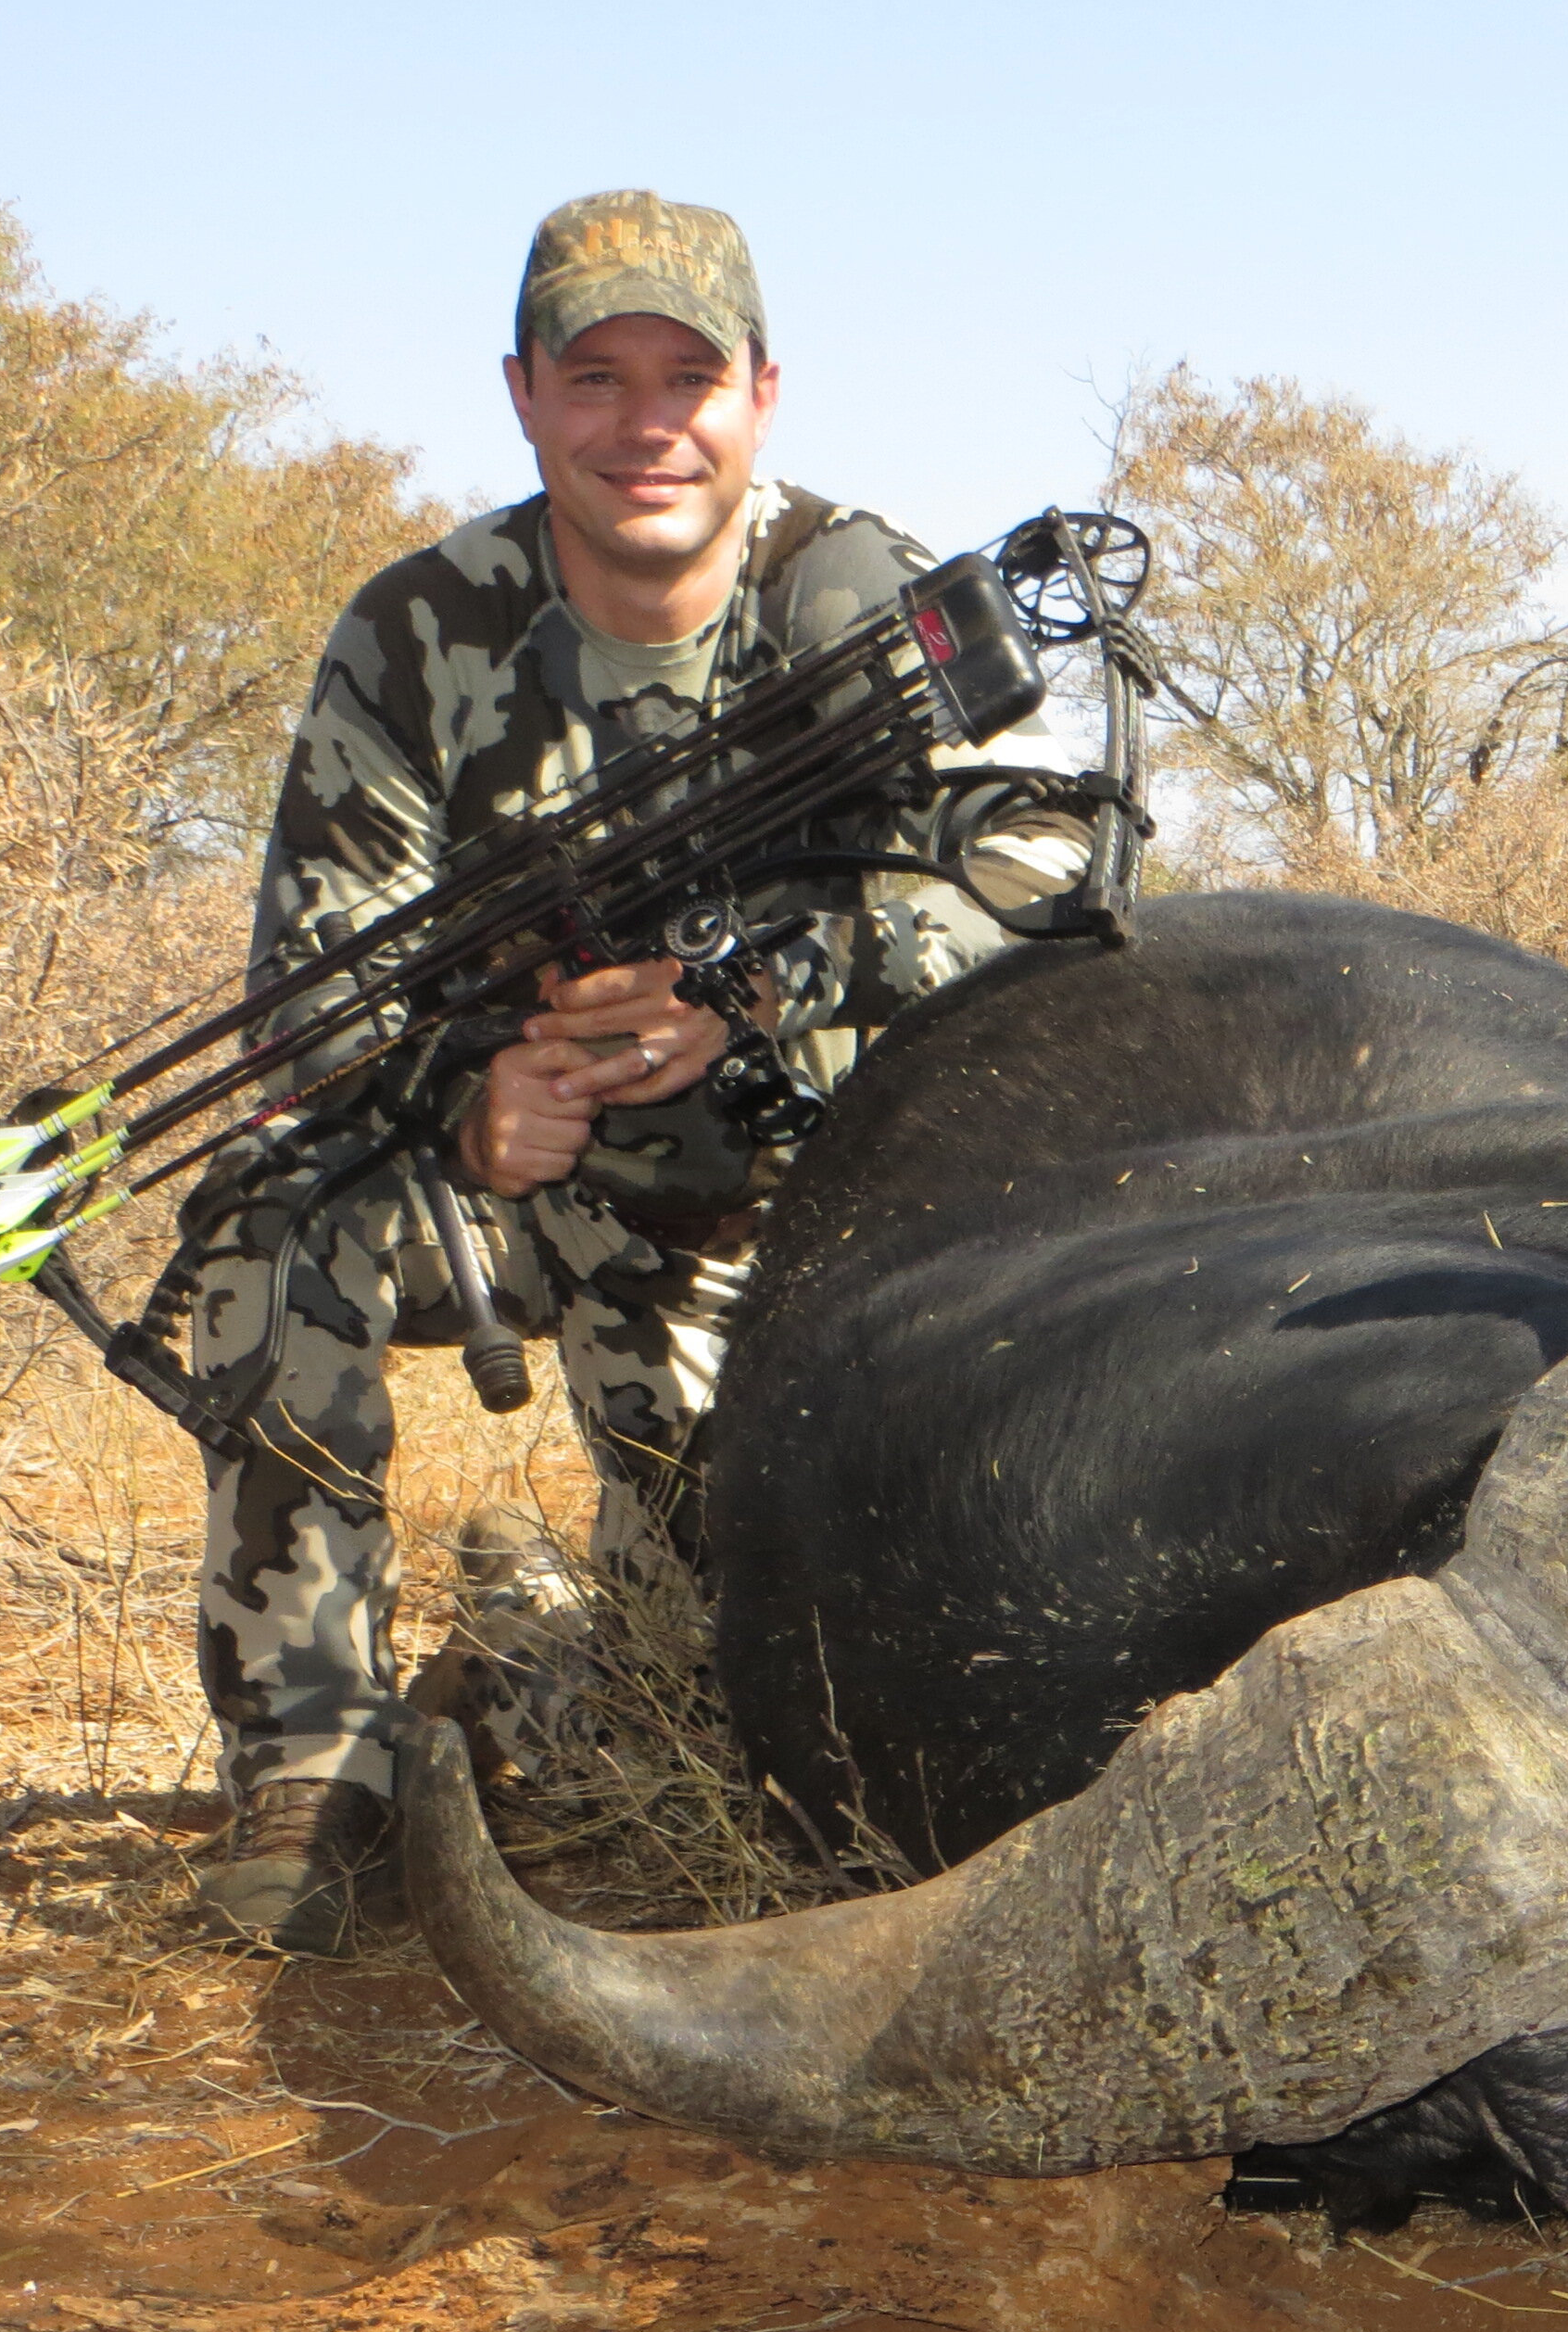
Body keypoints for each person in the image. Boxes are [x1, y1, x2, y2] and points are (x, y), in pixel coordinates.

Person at [187, 189, 1089, 1955]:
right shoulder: (417, 631)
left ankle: (526, 1653)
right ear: (523, 394)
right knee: (264, 1217)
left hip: (821, 1209)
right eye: (595, 377)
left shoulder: (872, 600)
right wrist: (468, 1103)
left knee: (709, 1723)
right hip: (513, 1191)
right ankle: (314, 1764)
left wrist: (767, 1002)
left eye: (690, 375)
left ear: (765, 391)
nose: (645, 423)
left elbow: (1051, 880)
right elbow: (304, 997)